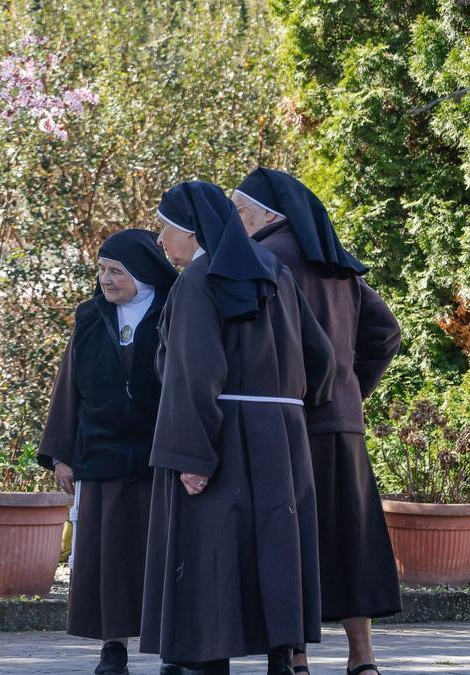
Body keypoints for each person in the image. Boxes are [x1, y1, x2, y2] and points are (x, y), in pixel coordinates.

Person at [141, 181, 336, 675]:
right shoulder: (276, 271)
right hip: (283, 436)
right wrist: (291, 412)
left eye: (165, 228)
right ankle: (281, 659)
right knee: (275, 549)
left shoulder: (199, 280)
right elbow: (322, 357)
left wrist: (192, 456)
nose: (161, 241)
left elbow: (194, 373)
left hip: (221, 434)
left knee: (211, 552)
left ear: (190, 230)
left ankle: (205, 660)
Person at [234, 168, 402, 675]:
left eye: (240, 211)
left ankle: (296, 657)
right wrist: (351, 387)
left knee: (290, 535)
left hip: (286, 420)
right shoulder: (337, 263)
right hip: (343, 423)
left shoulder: (263, 259)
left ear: (268, 214)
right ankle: (363, 657)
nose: (236, 222)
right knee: (352, 538)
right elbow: (387, 334)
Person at [38, 228, 179, 675]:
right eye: (101, 269)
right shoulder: (90, 317)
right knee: (108, 557)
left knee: (164, 556)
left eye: (115, 271)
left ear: (142, 273)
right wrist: (62, 453)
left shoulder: (173, 312)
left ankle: (175, 647)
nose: (105, 279)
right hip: (100, 454)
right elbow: (68, 387)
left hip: (161, 456)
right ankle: (112, 647)